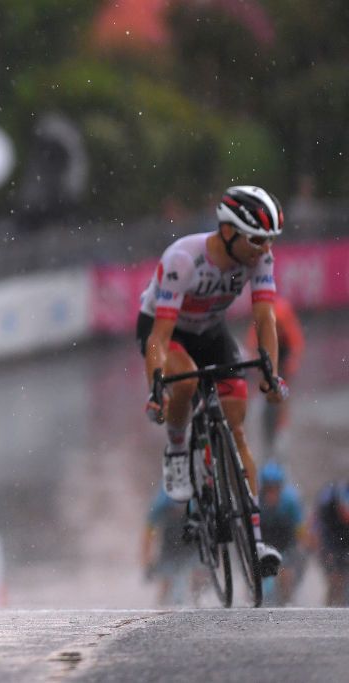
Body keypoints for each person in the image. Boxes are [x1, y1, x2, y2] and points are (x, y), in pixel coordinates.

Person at [137, 185, 289, 577]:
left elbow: (265, 318)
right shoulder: (183, 260)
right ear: (227, 232)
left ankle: (254, 542)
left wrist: (271, 373)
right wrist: (157, 386)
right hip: (165, 330)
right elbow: (159, 337)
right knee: (185, 385)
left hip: (211, 331)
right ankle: (175, 448)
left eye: (269, 240)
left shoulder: (259, 258)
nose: (263, 248)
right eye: (256, 239)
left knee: (237, 426)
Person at [245, 295, 304, 457]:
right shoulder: (263, 313)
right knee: (264, 389)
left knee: (284, 393)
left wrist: (293, 360)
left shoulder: (283, 312)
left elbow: (295, 339)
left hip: (283, 352)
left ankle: (281, 428)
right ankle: (262, 416)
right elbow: (253, 339)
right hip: (266, 352)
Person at [257, 461, 306, 605]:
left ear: (280, 488)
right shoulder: (256, 502)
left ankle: (286, 602)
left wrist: (301, 549)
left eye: (275, 489)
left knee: (286, 575)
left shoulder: (290, 502)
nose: (271, 493)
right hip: (263, 543)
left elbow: (300, 530)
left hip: (286, 543)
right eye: (268, 489)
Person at [141, 486, 199, 606]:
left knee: (196, 573)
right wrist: (146, 560)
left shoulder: (194, 503)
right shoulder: (162, 503)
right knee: (166, 577)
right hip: (171, 542)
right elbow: (149, 532)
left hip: (192, 539)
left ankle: (196, 601)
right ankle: (161, 605)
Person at [309, 481, 349, 606]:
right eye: (344, 512)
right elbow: (317, 534)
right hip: (329, 542)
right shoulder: (327, 508)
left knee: (343, 579)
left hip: (343, 542)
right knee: (336, 579)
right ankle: (330, 605)